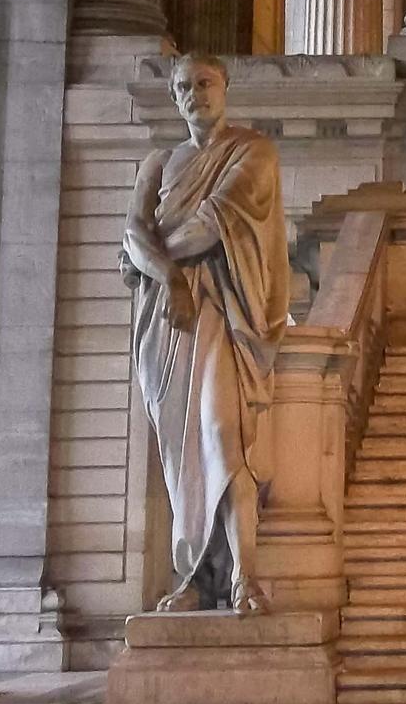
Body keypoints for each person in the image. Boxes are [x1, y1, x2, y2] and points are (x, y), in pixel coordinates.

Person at [121, 52, 286, 614]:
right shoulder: (158, 162)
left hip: (221, 307)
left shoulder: (253, 152)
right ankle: (192, 576)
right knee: (181, 455)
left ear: (225, 87)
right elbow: (132, 232)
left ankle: (245, 577)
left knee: (221, 433)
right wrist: (169, 278)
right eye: (184, 87)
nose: (195, 94)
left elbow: (211, 224)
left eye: (205, 82)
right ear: (174, 98)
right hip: (168, 320)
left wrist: (154, 259)